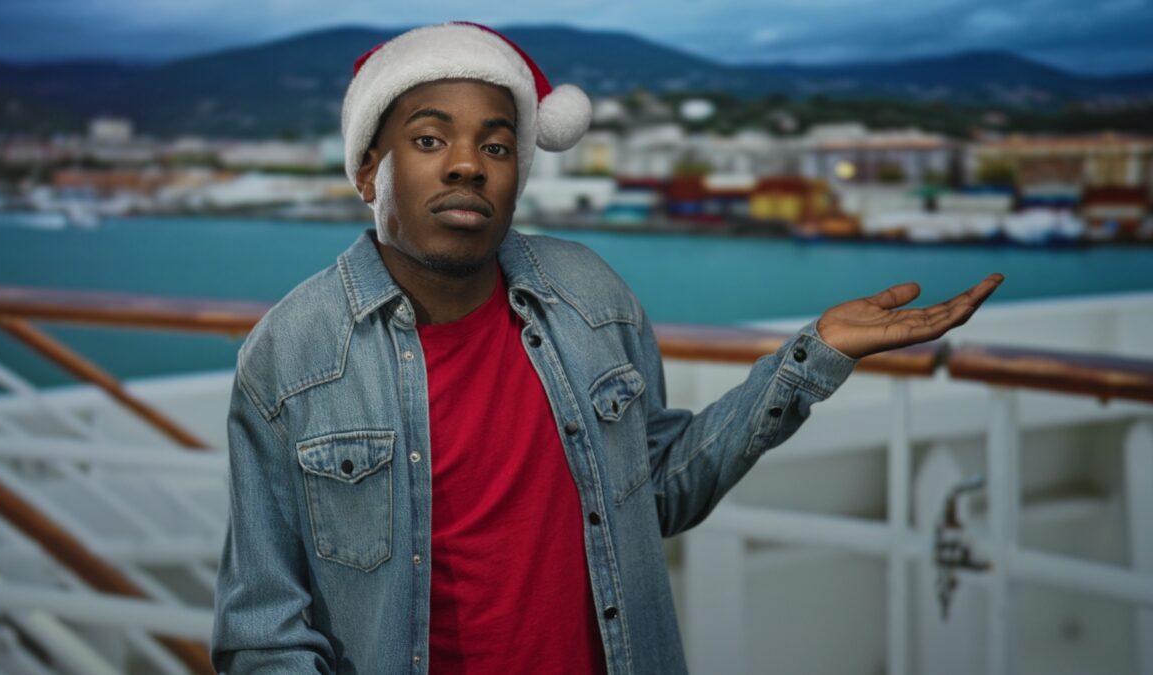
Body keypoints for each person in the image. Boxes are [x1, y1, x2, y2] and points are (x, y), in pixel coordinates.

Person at [209, 21, 1004, 674]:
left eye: (496, 145)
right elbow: (264, 632)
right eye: (427, 139)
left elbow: (655, 489)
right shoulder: (291, 356)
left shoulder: (590, 298)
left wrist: (812, 356)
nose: (466, 164)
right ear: (367, 171)